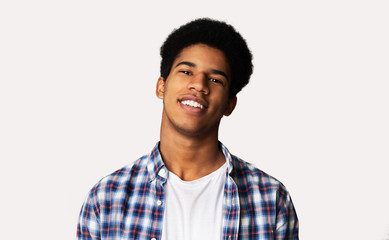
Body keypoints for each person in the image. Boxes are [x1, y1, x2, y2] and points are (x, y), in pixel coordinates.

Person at [77, 18, 299, 240]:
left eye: (215, 79)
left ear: (230, 104)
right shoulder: (106, 199)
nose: (199, 85)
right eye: (186, 72)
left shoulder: (270, 199)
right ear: (161, 87)